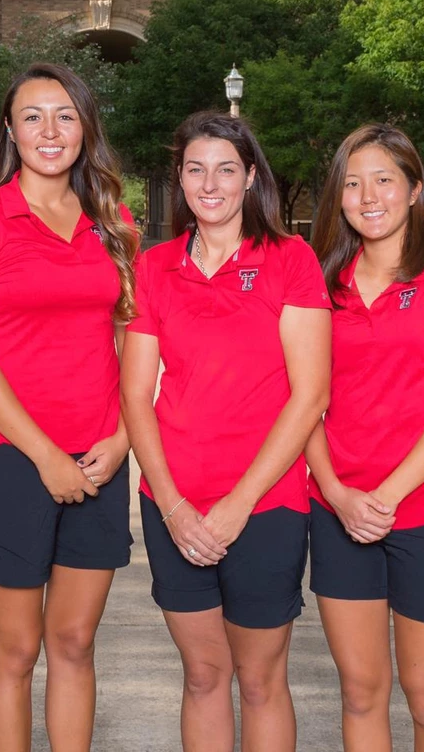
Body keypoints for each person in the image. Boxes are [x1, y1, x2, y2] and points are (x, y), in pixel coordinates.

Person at [0, 63, 138, 752]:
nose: (49, 131)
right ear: (10, 130)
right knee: (18, 649)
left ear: (84, 127)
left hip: (98, 459)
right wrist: (45, 456)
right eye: (32, 116)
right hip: (11, 462)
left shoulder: (112, 221)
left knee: (75, 642)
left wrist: (121, 440)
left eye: (64, 115)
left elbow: (131, 342)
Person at [122, 111, 331, 751]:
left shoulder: (291, 260)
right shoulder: (155, 267)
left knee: (261, 678)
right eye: (195, 169)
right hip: (173, 503)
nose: (209, 184)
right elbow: (134, 394)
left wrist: (238, 506)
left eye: (225, 170)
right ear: (179, 179)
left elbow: (310, 395)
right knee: (203, 674)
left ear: (249, 180)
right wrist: (177, 507)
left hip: (264, 505)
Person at [305, 124, 424, 752]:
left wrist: (384, 497)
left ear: (415, 189)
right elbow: (304, 401)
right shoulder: (320, 284)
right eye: (352, 184)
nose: (368, 195)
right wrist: (337, 492)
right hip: (337, 511)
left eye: (384, 179)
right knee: (360, 690)